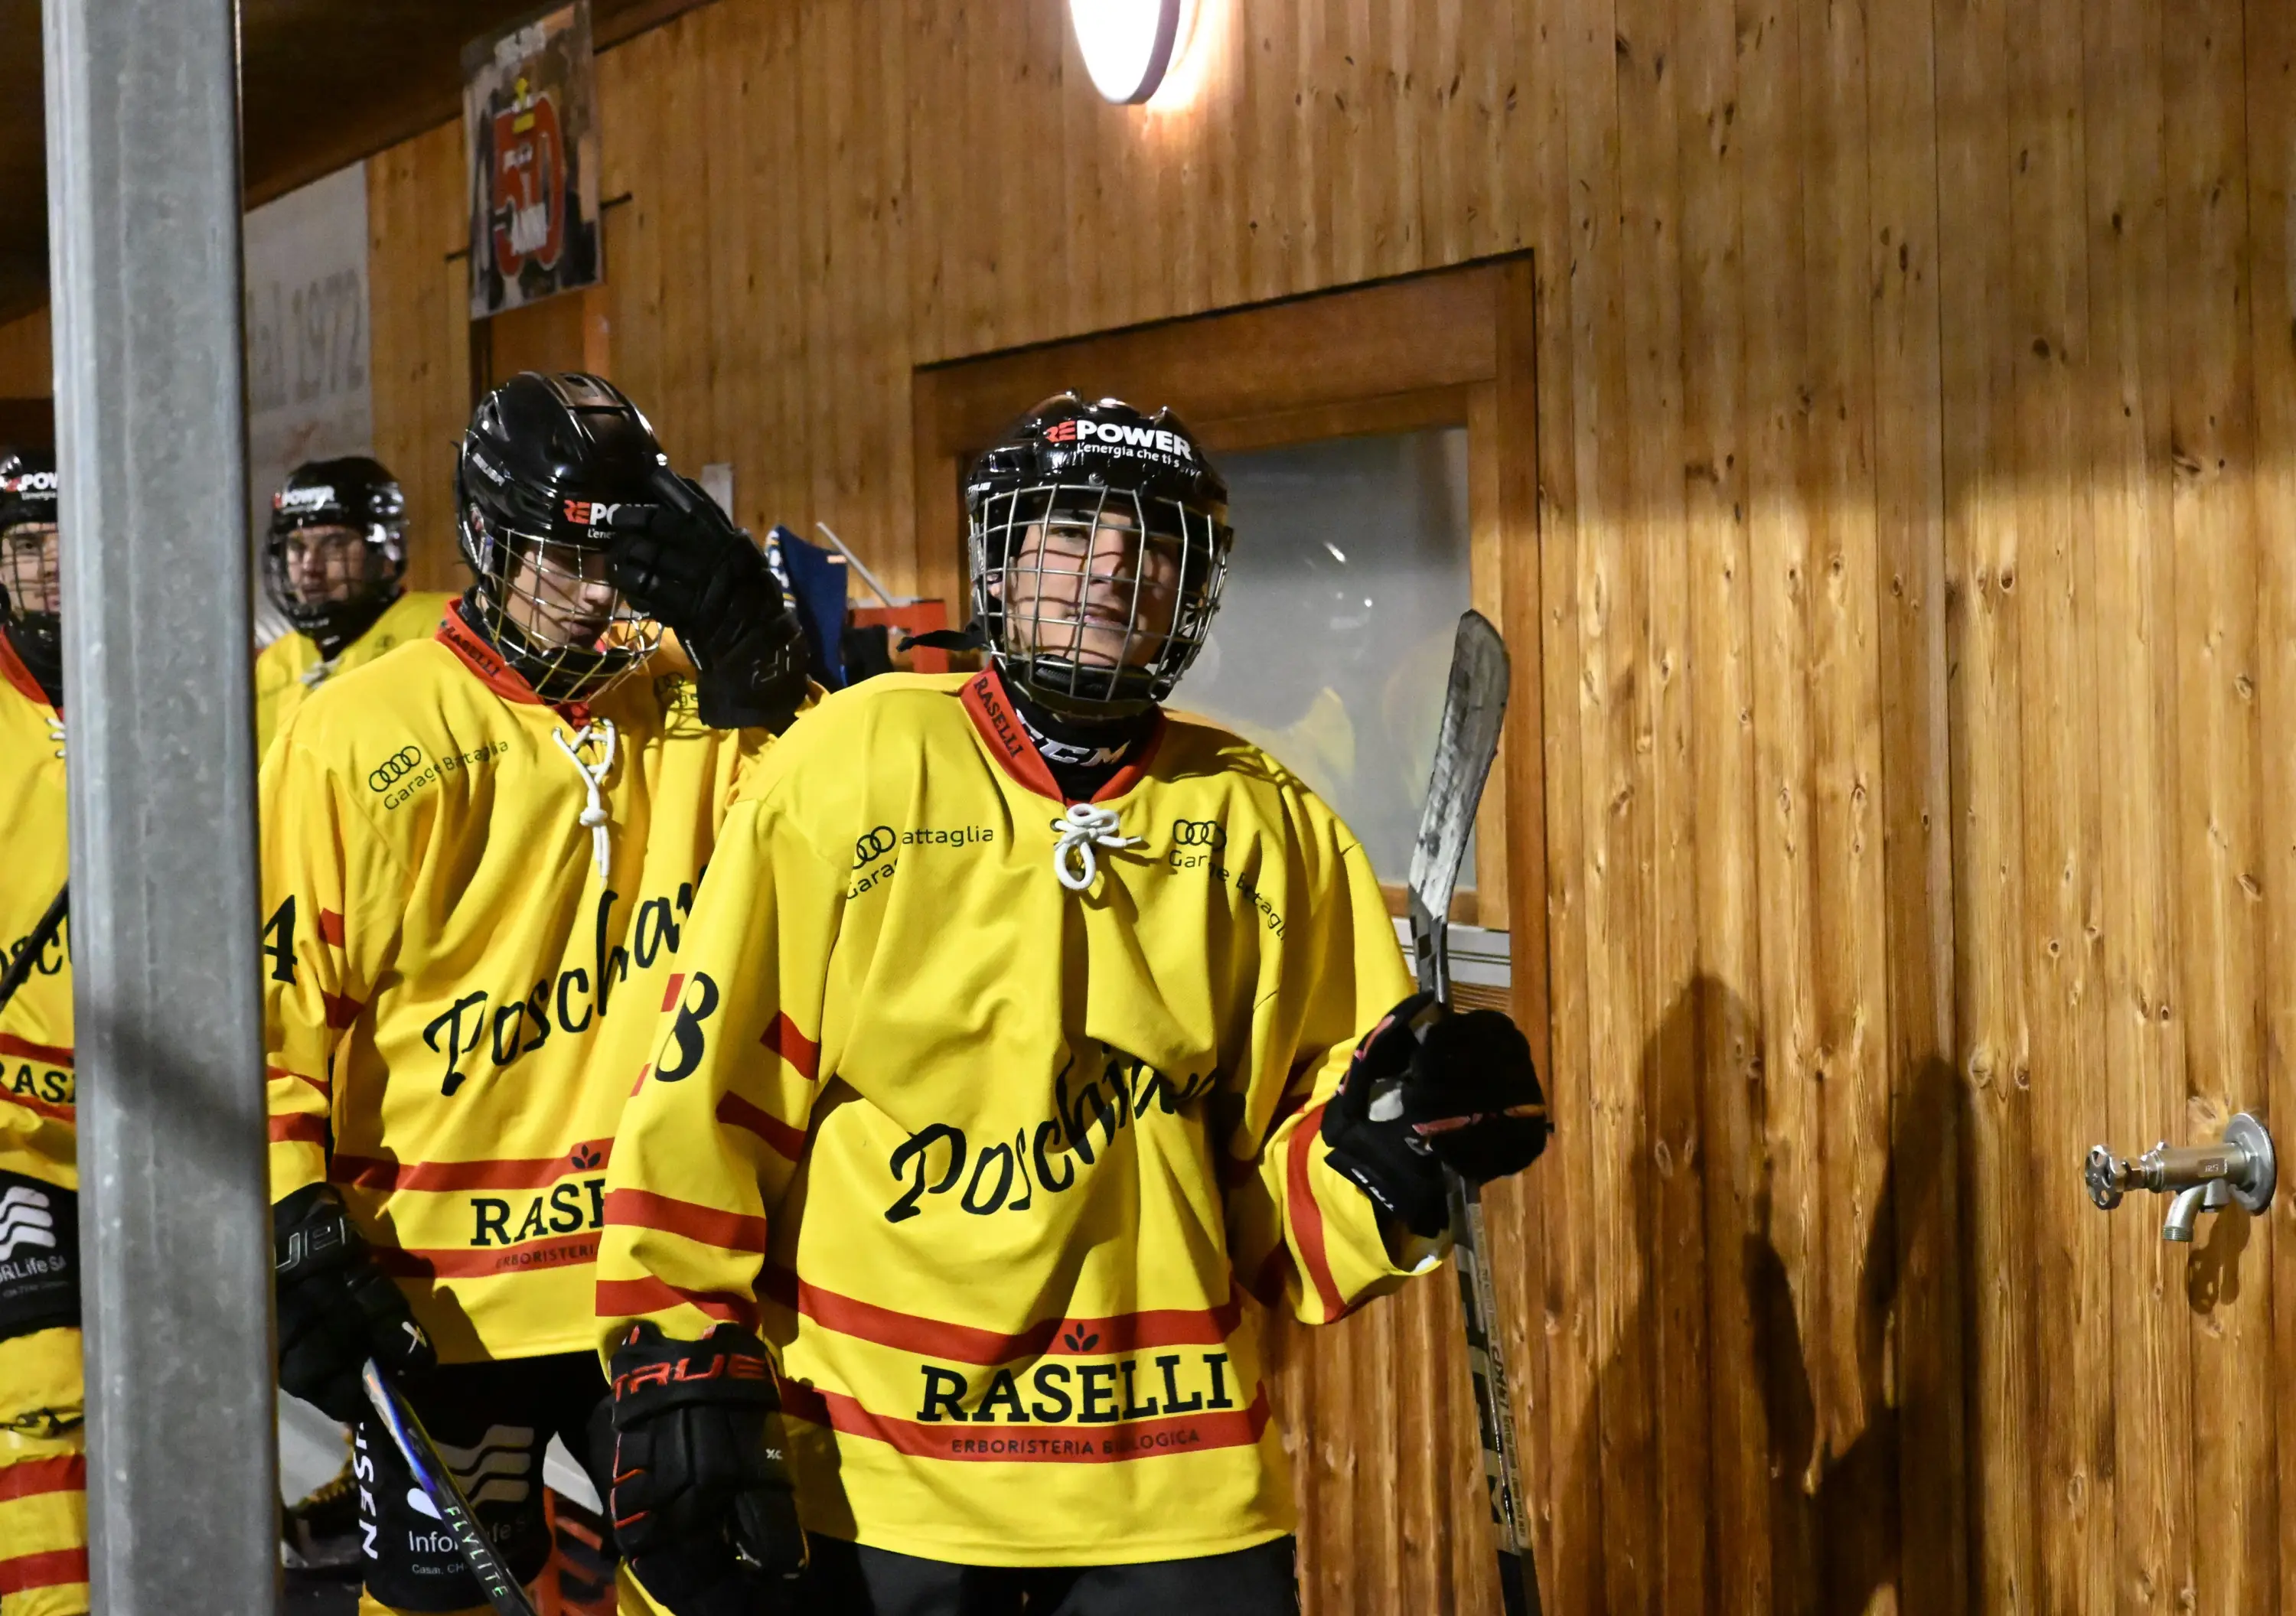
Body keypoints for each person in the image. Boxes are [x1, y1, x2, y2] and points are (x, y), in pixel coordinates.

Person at [592, 394, 1550, 1615]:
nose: (1112, 566)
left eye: (1151, 541)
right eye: (1073, 529)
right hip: (884, 1478)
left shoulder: (1266, 825)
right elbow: (706, 1101)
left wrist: (1404, 1159)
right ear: (1000, 556)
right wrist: (674, 1343)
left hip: (1178, 1492)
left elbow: (1291, 1214)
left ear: (1190, 588)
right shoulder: (850, 770)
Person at [260, 372, 808, 1616]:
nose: (598, 587)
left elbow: (821, 851)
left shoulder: (689, 696)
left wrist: (764, 669)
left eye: (621, 552)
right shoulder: (355, 732)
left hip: (657, 1274)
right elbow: (281, 1014)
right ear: (492, 538)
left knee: (711, 1592)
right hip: (442, 1293)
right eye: (564, 555)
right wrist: (294, 1214)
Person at [0, 448, 86, 1616]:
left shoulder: (201, 688)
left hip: (172, 1129)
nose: (55, 566)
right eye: (28, 545)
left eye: (72, 538)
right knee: (40, 1390)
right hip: (17, 1136)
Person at [253, 455, 454, 760]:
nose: (311, 567)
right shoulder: (274, 666)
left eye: (334, 545)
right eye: (297, 547)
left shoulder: (444, 629)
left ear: (384, 549)